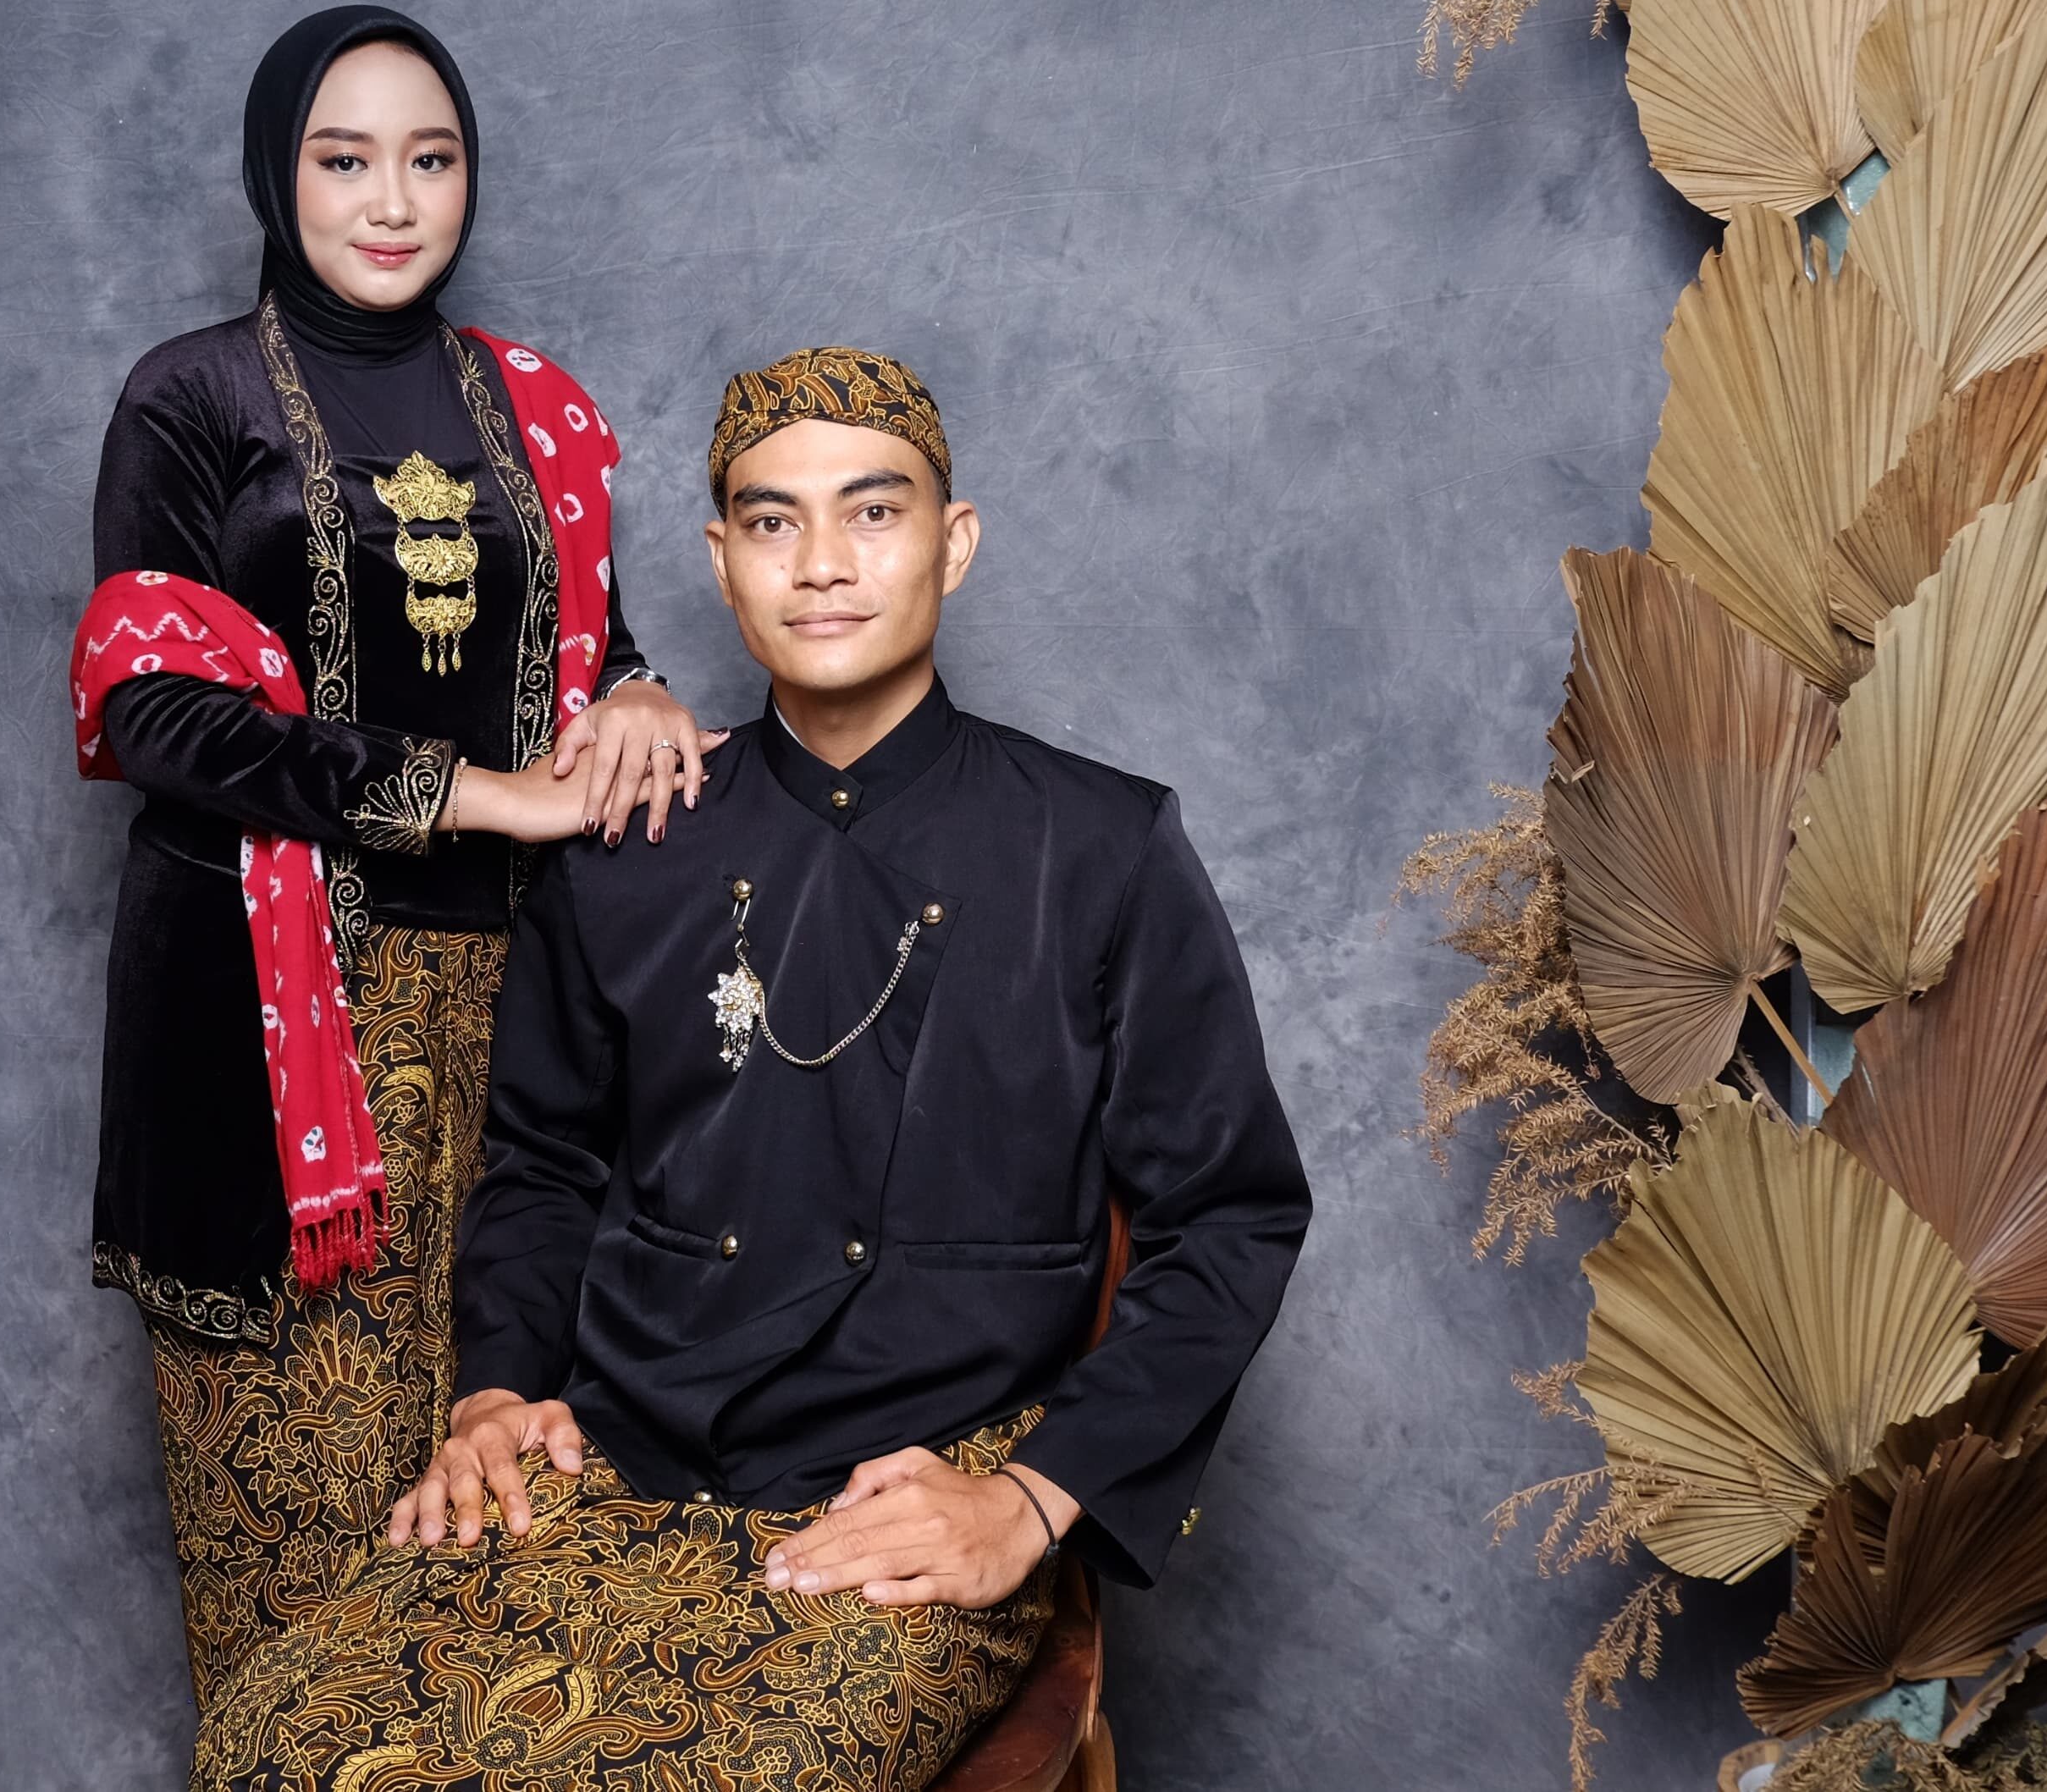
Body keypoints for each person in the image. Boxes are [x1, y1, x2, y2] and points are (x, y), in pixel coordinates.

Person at [190, 346, 1311, 1791]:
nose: (821, 562)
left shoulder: (1100, 846)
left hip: (900, 1507)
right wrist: (495, 1395)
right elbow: (541, 1165)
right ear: (721, 563)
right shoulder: (624, 849)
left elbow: (1227, 1219)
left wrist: (1032, 1499)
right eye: (773, 521)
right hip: (606, 1462)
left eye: (873, 511)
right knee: (270, 1747)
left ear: (955, 544)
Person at [71, 5, 715, 1708]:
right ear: (274, 175)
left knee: (504, 1534)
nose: (391, 199)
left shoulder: (533, 407)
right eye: (343, 158)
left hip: (522, 1030)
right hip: (269, 1034)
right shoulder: (192, 399)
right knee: (299, 1566)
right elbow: (158, 716)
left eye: (430, 159)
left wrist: (640, 690)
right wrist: (479, 796)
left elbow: (577, 657)